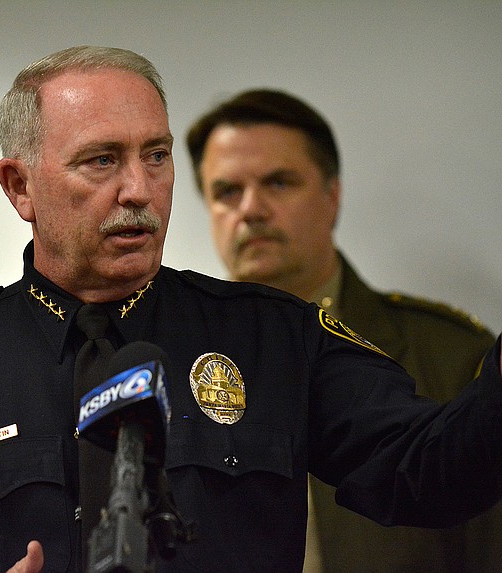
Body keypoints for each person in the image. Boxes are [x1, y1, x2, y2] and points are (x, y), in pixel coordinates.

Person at [0, 46, 502, 573]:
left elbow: (429, 471)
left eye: (156, 155)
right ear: (19, 186)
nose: (138, 190)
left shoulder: (272, 335)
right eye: (101, 161)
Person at [184, 88, 501, 572]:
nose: (251, 209)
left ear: (332, 197)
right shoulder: (176, 359)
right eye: (227, 192)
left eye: (279, 183)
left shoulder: (452, 354)